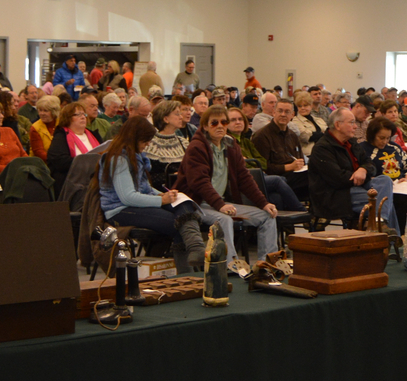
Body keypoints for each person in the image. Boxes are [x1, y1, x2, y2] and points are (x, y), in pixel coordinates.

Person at [176, 106, 278, 272]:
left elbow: (244, 178)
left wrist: (263, 203)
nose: (220, 126)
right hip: (196, 204)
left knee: (267, 216)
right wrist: (220, 205)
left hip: (220, 203)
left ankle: (266, 266)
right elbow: (199, 182)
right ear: (205, 126)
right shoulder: (196, 147)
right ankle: (230, 268)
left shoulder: (231, 144)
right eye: (214, 123)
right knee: (224, 219)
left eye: (224, 122)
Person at [99, 115, 202, 264]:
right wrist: (161, 200)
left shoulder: (135, 155)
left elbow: (145, 188)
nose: (147, 144)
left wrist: (165, 195)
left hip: (136, 204)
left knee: (184, 204)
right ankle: (189, 261)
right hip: (120, 210)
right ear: (134, 138)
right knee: (178, 223)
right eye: (145, 141)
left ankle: (196, 248)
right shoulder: (118, 159)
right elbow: (127, 197)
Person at [309, 107, 397, 230]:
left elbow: (370, 164)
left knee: (385, 180)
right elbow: (338, 179)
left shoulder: (351, 142)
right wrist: (361, 175)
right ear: (338, 125)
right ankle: (385, 233)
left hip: (359, 186)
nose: (355, 126)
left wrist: (363, 170)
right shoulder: (322, 148)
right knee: (384, 202)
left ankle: (379, 223)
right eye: (351, 122)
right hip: (336, 194)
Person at [358, 117, 407, 230]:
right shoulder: (363, 149)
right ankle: (403, 234)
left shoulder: (394, 147)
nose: (385, 142)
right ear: (372, 135)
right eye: (381, 138)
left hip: (403, 184)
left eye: (388, 138)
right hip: (384, 188)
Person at [45, 101, 100, 188]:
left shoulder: (94, 135)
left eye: (84, 114)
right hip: (73, 183)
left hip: (97, 179)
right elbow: (60, 162)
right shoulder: (61, 137)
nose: (83, 117)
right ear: (67, 118)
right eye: (78, 114)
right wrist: (85, 163)